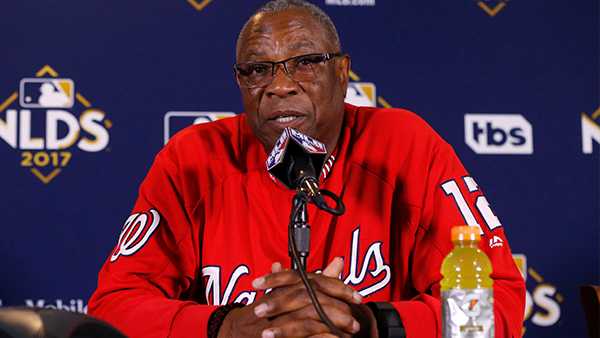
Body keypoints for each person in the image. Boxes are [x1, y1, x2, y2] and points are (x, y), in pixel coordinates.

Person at [88, 1, 526, 337]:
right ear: (240, 82)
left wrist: (370, 323)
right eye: (258, 69)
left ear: (342, 72)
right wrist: (228, 326)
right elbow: (112, 308)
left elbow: (499, 304)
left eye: (306, 62)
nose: (280, 86)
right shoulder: (193, 158)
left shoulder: (406, 145)